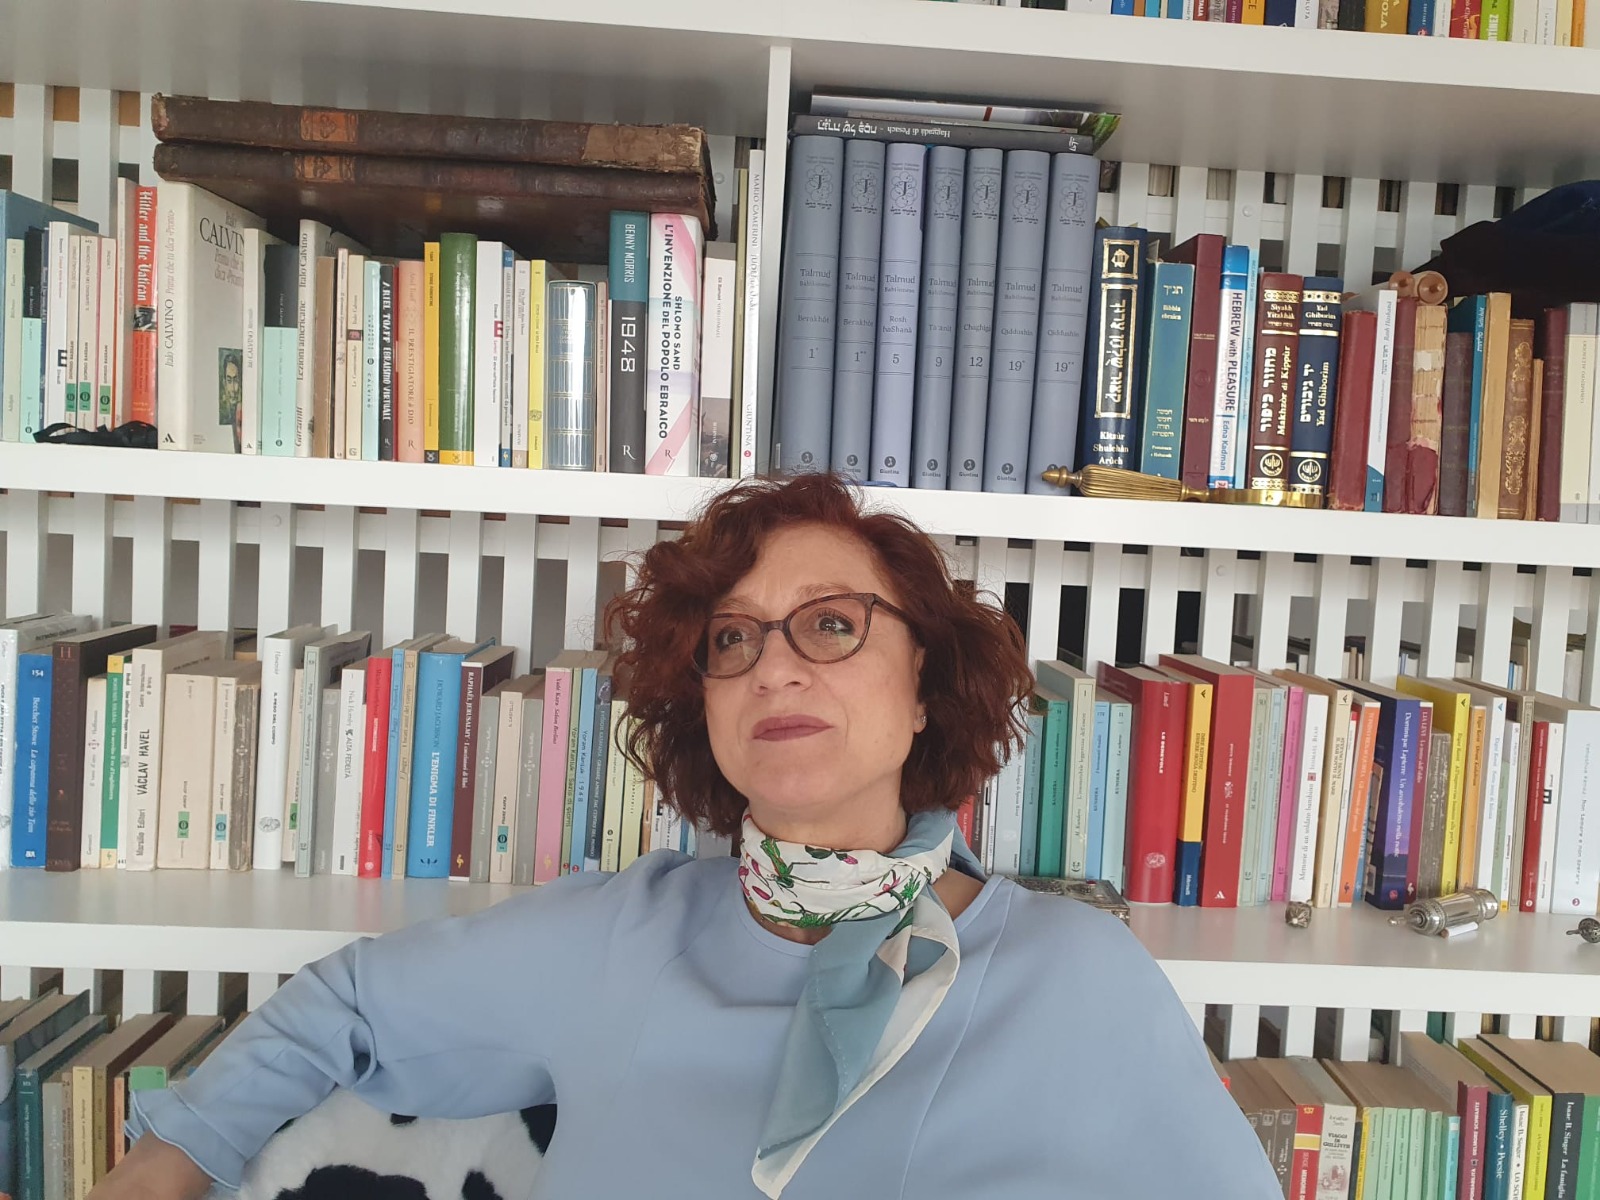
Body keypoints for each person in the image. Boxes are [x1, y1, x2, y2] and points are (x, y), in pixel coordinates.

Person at [95, 472, 1278, 1200]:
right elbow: (345, 1005)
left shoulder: (1077, 979)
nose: (772, 668)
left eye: (830, 624)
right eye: (732, 640)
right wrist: (164, 1166)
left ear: (925, 684)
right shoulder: (618, 935)